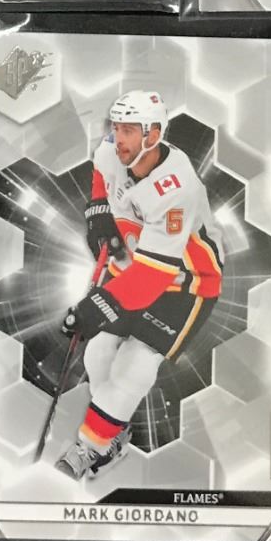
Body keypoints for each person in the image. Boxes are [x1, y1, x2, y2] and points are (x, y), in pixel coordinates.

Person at [56, 90, 223, 483]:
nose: (119, 138)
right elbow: (101, 175)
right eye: (117, 127)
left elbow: (153, 278)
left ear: (154, 134)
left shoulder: (176, 188)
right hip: (133, 264)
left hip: (184, 283)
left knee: (134, 366)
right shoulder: (112, 150)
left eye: (129, 130)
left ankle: (90, 446)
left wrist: (94, 307)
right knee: (98, 354)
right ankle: (113, 429)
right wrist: (99, 211)